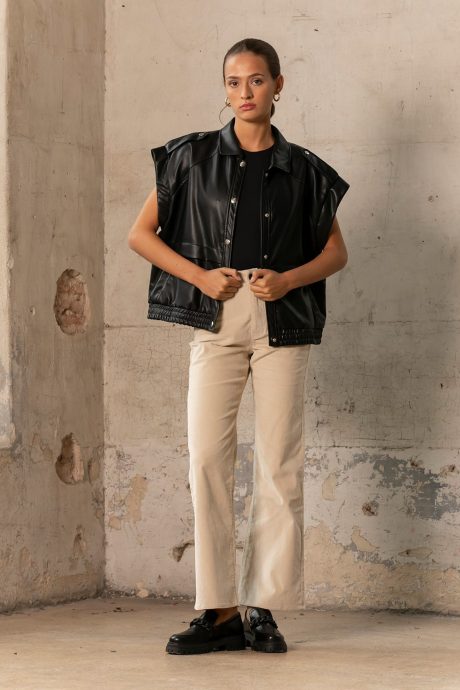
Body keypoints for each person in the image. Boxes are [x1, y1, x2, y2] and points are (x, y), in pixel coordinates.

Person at [128, 37, 350, 655]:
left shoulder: (305, 169)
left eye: (256, 80)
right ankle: (220, 610)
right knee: (207, 457)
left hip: (282, 319)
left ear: (278, 85)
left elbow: (336, 251)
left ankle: (263, 607)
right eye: (233, 81)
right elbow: (141, 235)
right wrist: (200, 278)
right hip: (216, 314)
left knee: (278, 461)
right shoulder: (190, 158)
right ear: (224, 89)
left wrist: (289, 280)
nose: (244, 92)